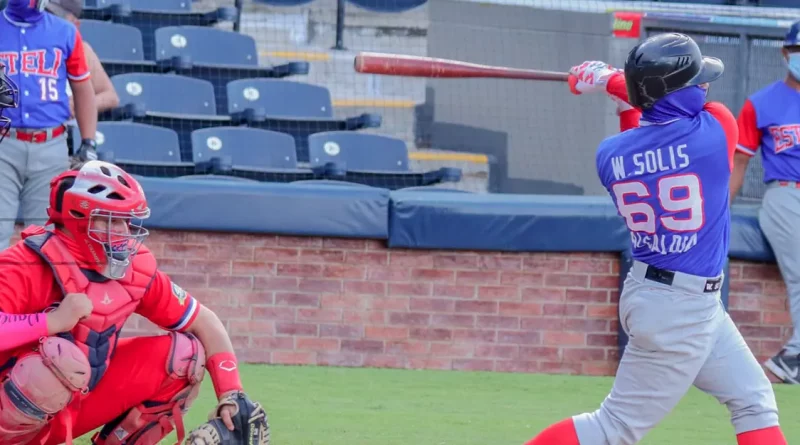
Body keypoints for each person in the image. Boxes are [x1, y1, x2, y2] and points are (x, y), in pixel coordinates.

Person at [521, 33, 786, 445]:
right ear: (671, 93)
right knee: (613, 427)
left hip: (662, 294)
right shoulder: (716, 132)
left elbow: (644, 130)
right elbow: (658, 117)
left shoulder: (610, 155)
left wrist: (617, 86)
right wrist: (609, 80)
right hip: (680, 309)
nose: (704, 86)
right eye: (695, 80)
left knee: (753, 400)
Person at [0, 159, 270, 444]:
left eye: (126, 221)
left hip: (77, 404)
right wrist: (50, 322)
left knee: (184, 356)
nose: (124, 233)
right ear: (79, 217)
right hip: (14, 410)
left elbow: (205, 321)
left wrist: (231, 393)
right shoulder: (22, 264)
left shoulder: (133, 268)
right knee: (55, 365)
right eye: (113, 220)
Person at [730, 20, 800, 385]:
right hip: (786, 193)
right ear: (786, 52)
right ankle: (797, 356)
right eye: (799, 50)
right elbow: (739, 163)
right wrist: (716, 212)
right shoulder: (761, 102)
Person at [0, 0, 99, 252]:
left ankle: (37, 293)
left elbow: (83, 89)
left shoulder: (65, 32)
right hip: (3, 143)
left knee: (45, 239)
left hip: (51, 144)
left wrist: (88, 142)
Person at [44, 0, 120, 117]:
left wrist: (79, 104)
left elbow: (111, 97)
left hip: (69, 130)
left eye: (56, 18)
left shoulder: (82, 50)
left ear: (75, 25)